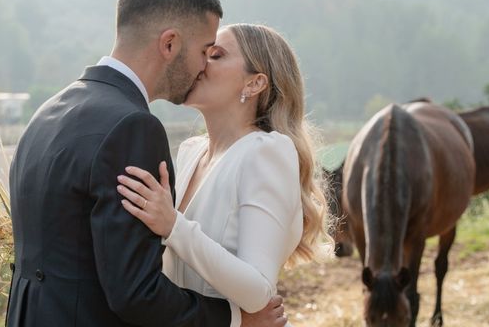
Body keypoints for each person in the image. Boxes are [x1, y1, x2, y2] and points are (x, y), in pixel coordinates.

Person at [6, 0, 288, 327]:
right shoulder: (132, 128)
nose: (203, 65)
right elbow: (136, 293)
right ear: (169, 44)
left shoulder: (49, 112)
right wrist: (235, 320)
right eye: (205, 50)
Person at [117, 23, 332, 325]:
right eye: (203, 52)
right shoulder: (190, 151)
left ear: (255, 83)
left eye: (215, 55)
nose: (200, 63)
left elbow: (258, 290)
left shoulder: (266, 152)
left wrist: (173, 225)